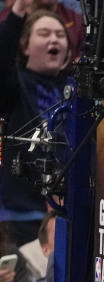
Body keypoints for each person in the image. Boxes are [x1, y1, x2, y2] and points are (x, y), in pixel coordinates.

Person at [0, 3, 72, 244]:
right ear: (24, 46)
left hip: (66, 213)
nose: (54, 39)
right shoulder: (13, 84)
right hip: (22, 216)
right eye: (44, 34)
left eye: (60, 35)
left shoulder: (76, 90)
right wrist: (18, 11)